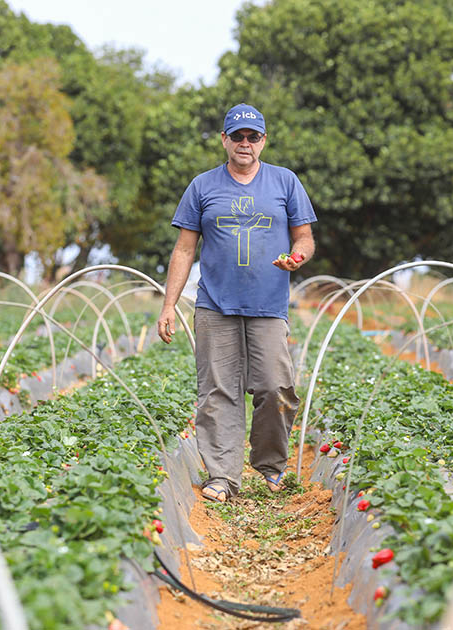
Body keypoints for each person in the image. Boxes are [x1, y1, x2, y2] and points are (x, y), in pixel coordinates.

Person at [157, 103, 316, 504]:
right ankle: (223, 476)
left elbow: (305, 237)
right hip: (215, 304)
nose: (245, 143)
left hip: (268, 305)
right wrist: (168, 305)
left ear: (263, 141)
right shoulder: (203, 186)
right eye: (238, 136)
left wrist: (297, 257)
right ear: (224, 139)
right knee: (218, 391)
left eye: (253, 137)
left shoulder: (285, 182)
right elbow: (183, 250)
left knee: (276, 388)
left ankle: (270, 463)